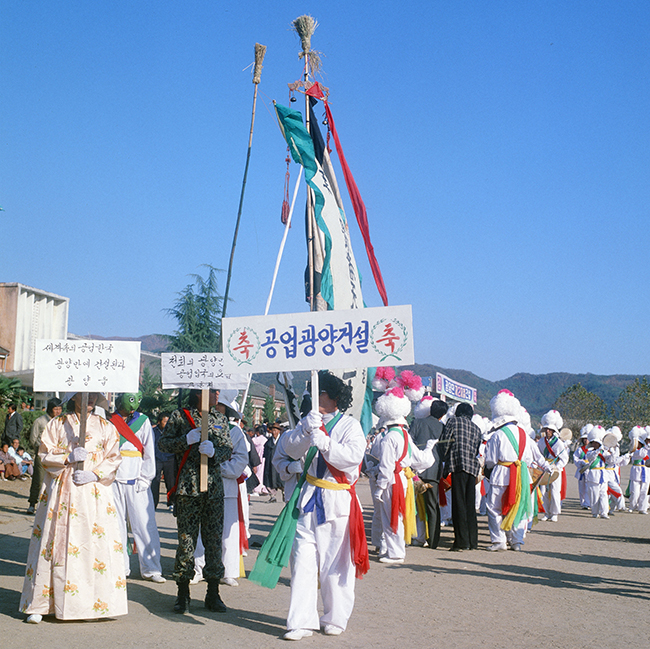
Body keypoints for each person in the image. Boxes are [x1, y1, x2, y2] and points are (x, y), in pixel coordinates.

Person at [19, 392, 128, 623]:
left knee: (92, 543)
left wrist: (95, 473)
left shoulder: (106, 426)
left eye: (93, 396)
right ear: (73, 396)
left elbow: (114, 457)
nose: (89, 399)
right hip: (62, 489)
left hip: (92, 490)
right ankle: (41, 603)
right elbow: (44, 454)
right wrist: (66, 457)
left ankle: (90, 604)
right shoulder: (57, 424)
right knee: (53, 539)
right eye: (84, 394)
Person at [281, 370, 367, 640]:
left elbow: (353, 457)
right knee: (302, 561)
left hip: (336, 499)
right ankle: (301, 621)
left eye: (317, 392)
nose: (312, 396)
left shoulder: (349, 426)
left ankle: (334, 617)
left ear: (331, 397)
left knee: (335, 564)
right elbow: (289, 450)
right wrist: (307, 431)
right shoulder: (308, 421)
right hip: (308, 499)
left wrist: (326, 443)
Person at [159, 389, 233, 614]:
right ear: (200, 393)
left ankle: (213, 592)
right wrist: (185, 440)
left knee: (213, 541)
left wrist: (214, 453)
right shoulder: (180, 417)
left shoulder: (219, 418)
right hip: (188, 488)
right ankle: (183, 593)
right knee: (186, 541)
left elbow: (228, 449)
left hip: (213, 490)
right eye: (213, 391)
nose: (217, 395)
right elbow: (164, 444)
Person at [374, 371, 436, 565]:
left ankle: (395, 553)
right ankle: (396, 550)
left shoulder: (389, 437)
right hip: (404, 479)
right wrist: (429, 448)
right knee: (399, 515)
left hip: (392, 480)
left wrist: (380, 487)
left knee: (390, 516)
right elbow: (421, 460)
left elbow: (385, 466)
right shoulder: (404, 435)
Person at [484, 390, 551, 552]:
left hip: (501, 474)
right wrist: (548, 468)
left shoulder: (497, 434)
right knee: (519, 507)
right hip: (522, 476)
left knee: (495, 508)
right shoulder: (525, 435)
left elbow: (491, 460)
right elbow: (538, 457)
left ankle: (499, 540)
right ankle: (517, 541)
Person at [110, 393, 165, 583]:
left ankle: (151, 568)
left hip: (137, 477)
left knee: (144, 524)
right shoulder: (110, 420)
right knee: (115, 525)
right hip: (114, 477)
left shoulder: (143, 421)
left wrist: (146, 477)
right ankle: (120, 566)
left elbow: (149, 450)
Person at [439, 402, 482, 551]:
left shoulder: (453, 422)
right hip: (472, 468)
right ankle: (472, 541)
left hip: (457, 465)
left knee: (458, 505)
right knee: (470, 505)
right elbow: (477, 449)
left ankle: (461, 541)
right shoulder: (477, 428)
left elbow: (445, 443)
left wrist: (443, 461)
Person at [409, 397, 448, 549]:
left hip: (416, 471)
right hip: (434, 471)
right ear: (443, 414)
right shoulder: (443, 427)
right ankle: (433, 540)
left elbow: (409, 443)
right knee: (432, 506)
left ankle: (417, 536)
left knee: (416, 506)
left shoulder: (417, 423)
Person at [27, 398, 63, 514]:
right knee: (39, 479)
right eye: (55, 409)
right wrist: (41, 450)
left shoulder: (61, 421)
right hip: (42, 455)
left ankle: (49, 507)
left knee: (54, 481)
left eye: (59, 409)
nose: (58, 411)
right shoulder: (40, 421)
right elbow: (33, 438)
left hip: (56, 456)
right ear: (50, 409)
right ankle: (32, 503)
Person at [537, 410, 569, 522]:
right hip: (545, 468)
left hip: (555, 468)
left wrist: (557, 467)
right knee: (544, 491)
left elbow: (564, 458)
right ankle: (547, 512)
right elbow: (539, 455)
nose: (548, 431)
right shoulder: (541, 442)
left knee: (555, 491)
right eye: (546, 429)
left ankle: (555, 512)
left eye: (550, 430)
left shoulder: (559, 443)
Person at [150, 412, 175, 509]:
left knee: (170, 482)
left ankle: (171, 502)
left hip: (169, 458)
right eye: (165, 421)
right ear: (159, 422)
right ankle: (153, 503)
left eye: (168, 422)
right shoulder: (153, 431)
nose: (167, 424)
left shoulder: (172, 432)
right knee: (155, 482)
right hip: (157, 459)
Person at [263, 421, 284, 502]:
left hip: (280, 464)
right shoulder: (268, 442)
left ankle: (284, 494)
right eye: (273, 430)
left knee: (281, 481)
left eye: (276, 430)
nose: (274, 432)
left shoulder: (282, 441)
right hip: (270, 464)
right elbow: (265, 454)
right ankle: (272, 496)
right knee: (270, 480)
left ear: (279, 431)